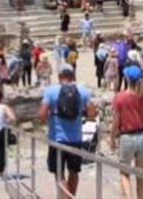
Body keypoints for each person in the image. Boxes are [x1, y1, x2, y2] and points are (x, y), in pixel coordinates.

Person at [39, 65, 96, 198]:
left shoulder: (51, 91)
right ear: (73, 76)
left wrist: (51, 121)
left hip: (57, 139)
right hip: (76, 139)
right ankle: (70, 196)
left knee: (59, 174)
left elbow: (41, 114)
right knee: (74, 172)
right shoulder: (83, 91)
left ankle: (66, 197)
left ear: (59, 77)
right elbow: (92, 114)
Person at [111, 64, 143, 199]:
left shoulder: (120, 98)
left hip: (127, 137)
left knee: (125, 173)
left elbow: (116, 121)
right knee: (141, 175)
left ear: (127, 79)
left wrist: (112, 137)